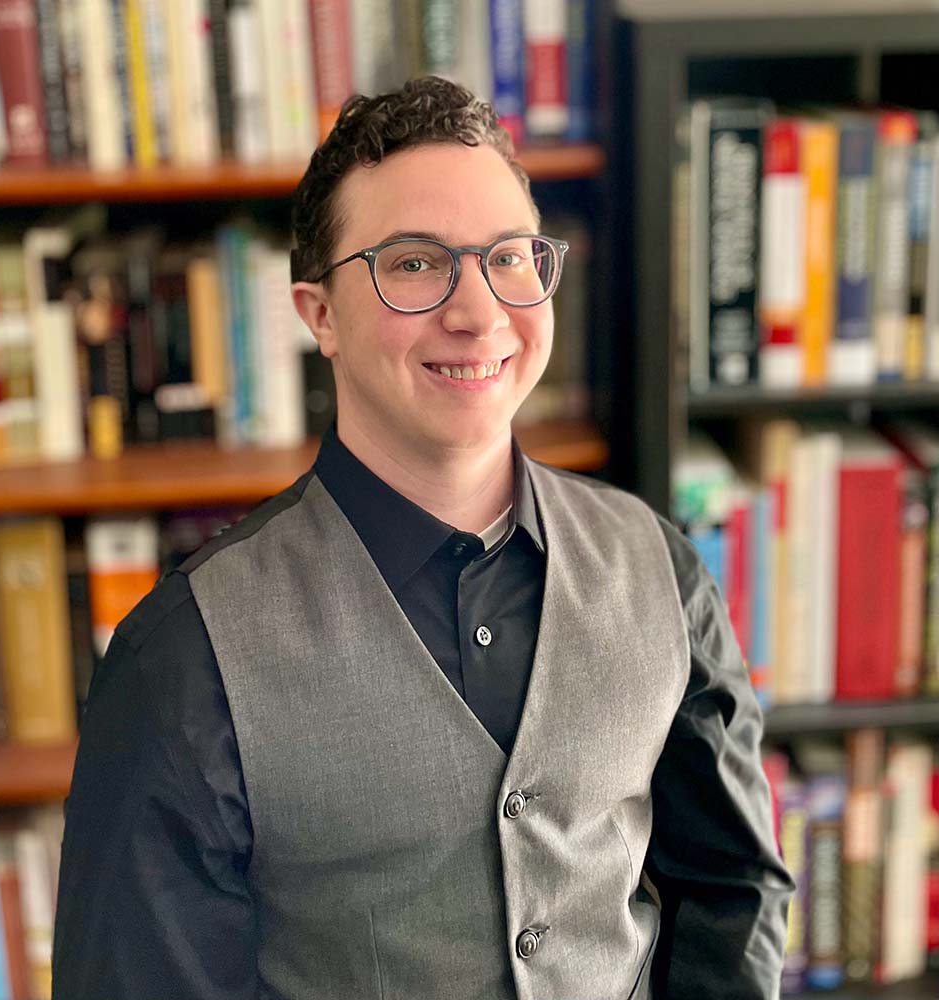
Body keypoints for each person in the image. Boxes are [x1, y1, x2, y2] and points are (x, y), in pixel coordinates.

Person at [52, 77, 793, 1000]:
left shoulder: (660, 568)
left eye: (509, 257)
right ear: (319, 314)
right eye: (413, 263)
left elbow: (730, 894)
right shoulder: (181, 658)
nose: (479, 313)